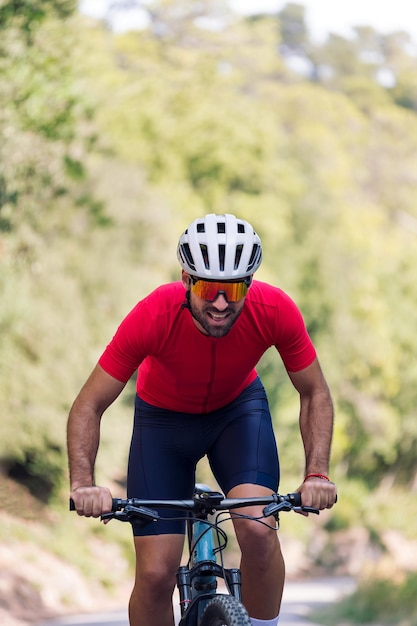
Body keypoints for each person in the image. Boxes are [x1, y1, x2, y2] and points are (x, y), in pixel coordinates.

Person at [67, 213, 336, 626]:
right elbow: (89, 404)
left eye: (232, 288)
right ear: (186, 279)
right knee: (156, 574)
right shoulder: (153, 314)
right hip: (163, 425)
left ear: (248, 284)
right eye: (209, 287)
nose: (221, 302)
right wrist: (83, 484)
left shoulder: (274, 309)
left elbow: (315, 391)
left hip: (237, 415)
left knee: (259, 531)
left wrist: (317, 474)